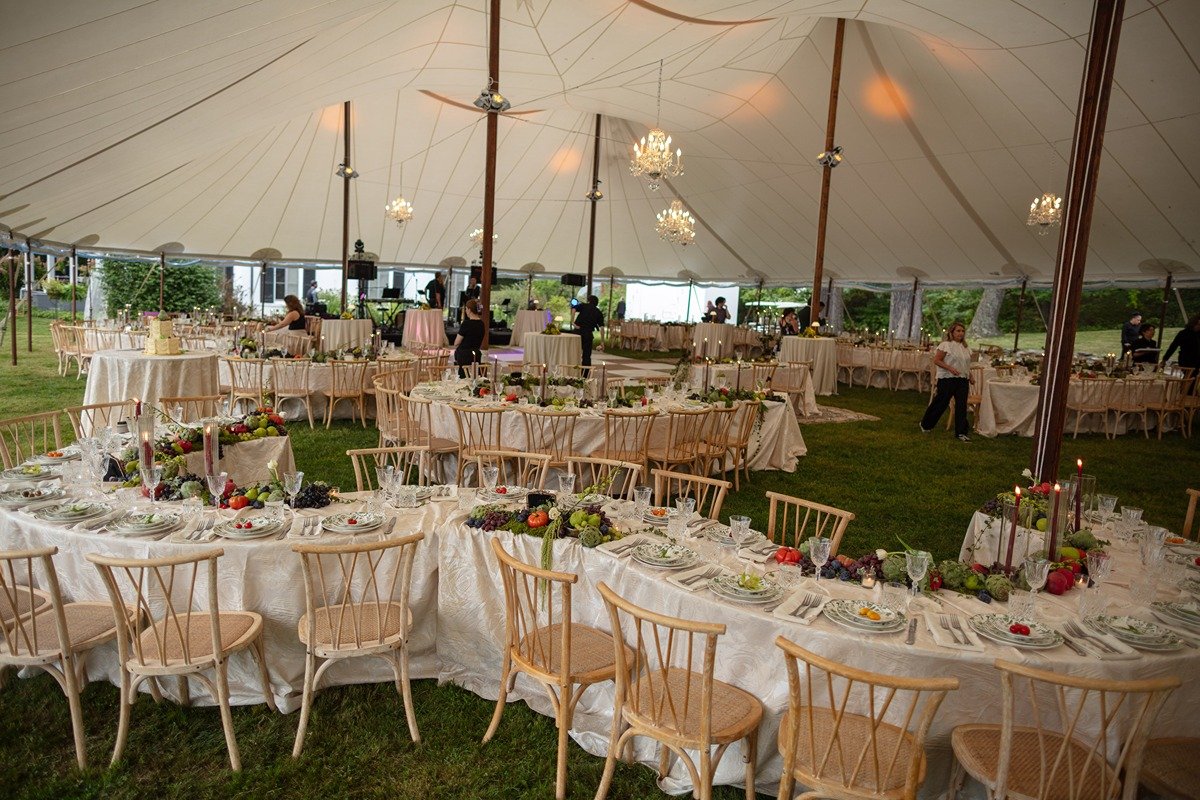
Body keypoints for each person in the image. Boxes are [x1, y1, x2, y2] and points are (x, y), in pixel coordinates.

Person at [919, 321, 972, 441]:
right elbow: (937, 360)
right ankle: (926, 424)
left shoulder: (965, 347)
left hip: (962, 379)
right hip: (947, 379)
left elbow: (965, 365)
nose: (961, 333)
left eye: (962, 331)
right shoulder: (946, 345)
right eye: (958, 331)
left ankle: (961, 432)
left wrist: (970, 375)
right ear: (952, 332)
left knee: (962, 405)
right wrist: (950, 369)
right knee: (941, 402)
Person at [1162, 313, 1200, 378]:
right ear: (1193, 324)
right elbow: (1173, 346)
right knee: (1189, 377)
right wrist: (1165, 359)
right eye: (1198, 325)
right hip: (1186, 360)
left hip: (1198, 360)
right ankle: (1185, 388)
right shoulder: (1183, 333)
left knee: (1194, 378)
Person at [454, 299, 484, 377]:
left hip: (465, 355)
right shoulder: (481, 324)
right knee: (475, 377)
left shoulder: (466, 324)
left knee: (464, 378)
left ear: (469, 310)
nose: (466, 311)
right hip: (476, 354)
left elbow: (456, 342)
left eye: (466, 309)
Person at [574, 294, 605, 368]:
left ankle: (573, 370)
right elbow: (602, 328)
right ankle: (585, 374)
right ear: (597, 303)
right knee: (587, 355)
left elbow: (573, 308)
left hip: (577, 332)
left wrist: (573, 322)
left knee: (574, 353)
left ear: (588, 301)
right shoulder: (598, 312)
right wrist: (602, 342)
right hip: (588, 334)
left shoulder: (583, 306)